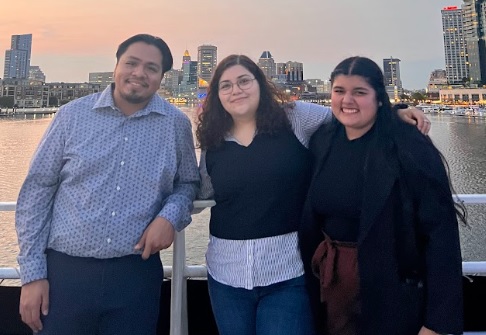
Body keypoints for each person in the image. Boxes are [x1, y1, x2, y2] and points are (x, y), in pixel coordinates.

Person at [195, 54, 430, 335]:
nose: (236, 90)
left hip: (288, 274)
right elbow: (201, 191)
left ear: (260, 84)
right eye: (226, 85)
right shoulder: (213, 141)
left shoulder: (295, 118)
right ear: (217, 95)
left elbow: (349, 114)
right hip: (225, 277)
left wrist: (394, 113)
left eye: (244, 81)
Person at [15, 33, 200, 335]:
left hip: (135, 274)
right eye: (132, 63)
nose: (139, 73)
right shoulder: (71, 117)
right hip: (65, 274)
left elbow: (188, 184)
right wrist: (33, 275)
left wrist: (170, 216)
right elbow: (37, 192)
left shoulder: (175, 124)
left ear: (162, 77)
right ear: (116, 66)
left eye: (151, 68)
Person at [299, 56, 467, 335]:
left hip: (393, 287)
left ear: (379, 98)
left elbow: (440, 234)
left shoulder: (409, 145)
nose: (347, 100)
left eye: (359, 92)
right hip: (332, 288)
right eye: (339, 91)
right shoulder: (322, 140)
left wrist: (437, 323)